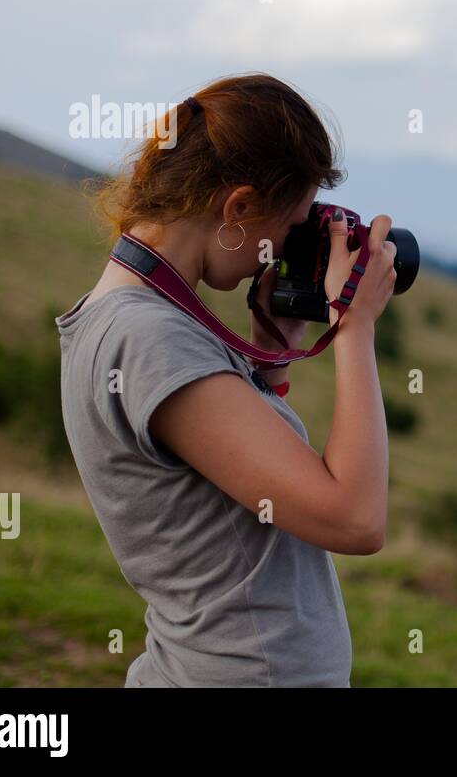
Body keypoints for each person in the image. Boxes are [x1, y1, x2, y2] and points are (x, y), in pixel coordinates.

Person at [54, 73, 396, 687]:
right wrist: (355, 330)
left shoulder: (141, 323)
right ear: (237, 209)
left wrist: (273, 350)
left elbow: (229, 494)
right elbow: (354, 519)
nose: (289, 247)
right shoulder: (147, 338)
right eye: (291, 226)